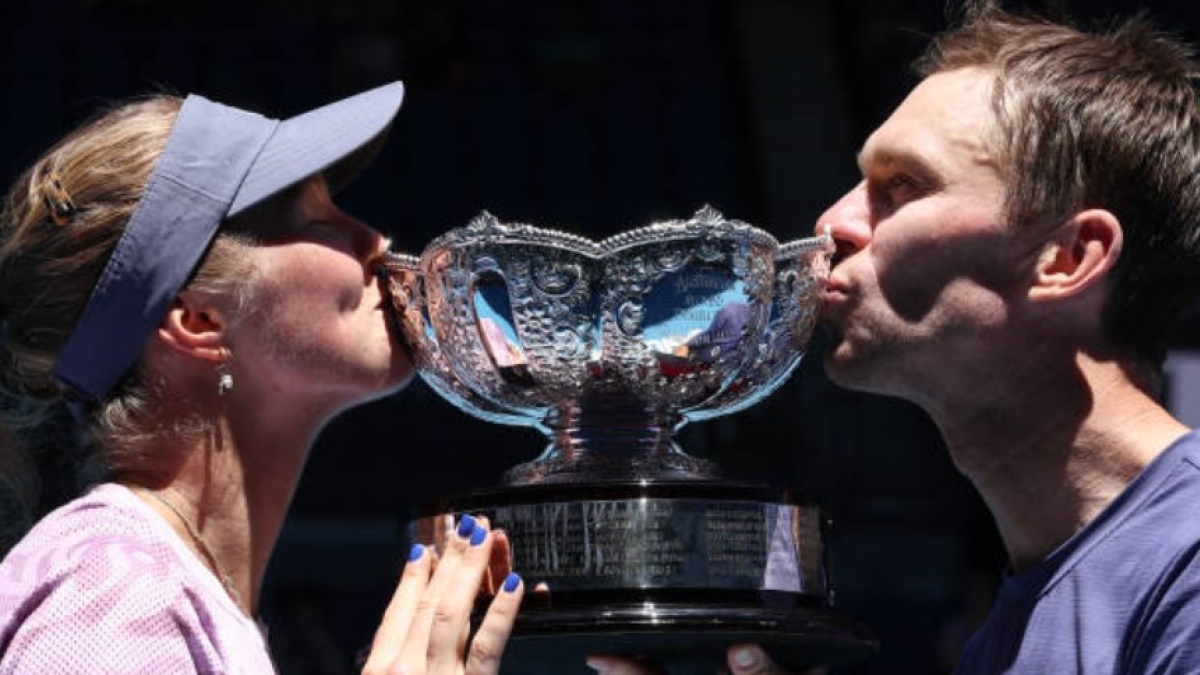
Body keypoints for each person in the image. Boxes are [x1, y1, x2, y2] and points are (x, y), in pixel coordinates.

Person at [592, 1, 1200, 674]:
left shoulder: (1188, 566)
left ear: (1067, 257)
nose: (833, 222)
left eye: (902, 185)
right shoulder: (1014, 625)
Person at [0, 81, 524, 673]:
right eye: (314, 218)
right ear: (197, 320)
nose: (376, 241)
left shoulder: (166, 589)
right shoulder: (117, 589)